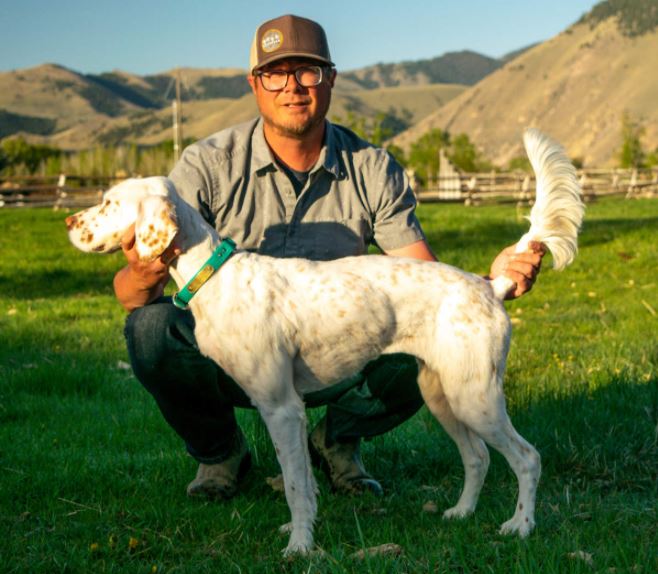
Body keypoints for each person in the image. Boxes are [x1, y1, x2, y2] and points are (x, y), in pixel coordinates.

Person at [114, 14, 544, 500]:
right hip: (232, 358)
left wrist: (488, 283)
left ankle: (336, 442)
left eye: (308, 71)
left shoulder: (371, 167)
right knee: (149, 330)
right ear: (254, 83)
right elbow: (131, 296)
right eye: (276, 73)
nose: (292, 87)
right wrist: (145, 264)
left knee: (431, 328)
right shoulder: (207, 164)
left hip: (335, 357)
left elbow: (426, 280)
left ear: (331, 79)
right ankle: (220, 455)